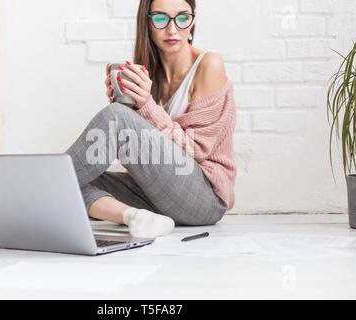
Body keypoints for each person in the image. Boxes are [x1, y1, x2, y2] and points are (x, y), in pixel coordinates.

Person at [65, 0, 237, 238]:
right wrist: (130, 106)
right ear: (146, 21)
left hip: (205, 198)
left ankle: (35, 192)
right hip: (161, 195)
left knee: (116, 118)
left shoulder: (209, 65)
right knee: (79, 182)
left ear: (194, 19)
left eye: (182, 17)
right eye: (160, 18)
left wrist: (144, 106)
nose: (172, 29)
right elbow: (147, 152)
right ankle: (136, 218)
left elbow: (197, 150)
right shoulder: (147, 73)